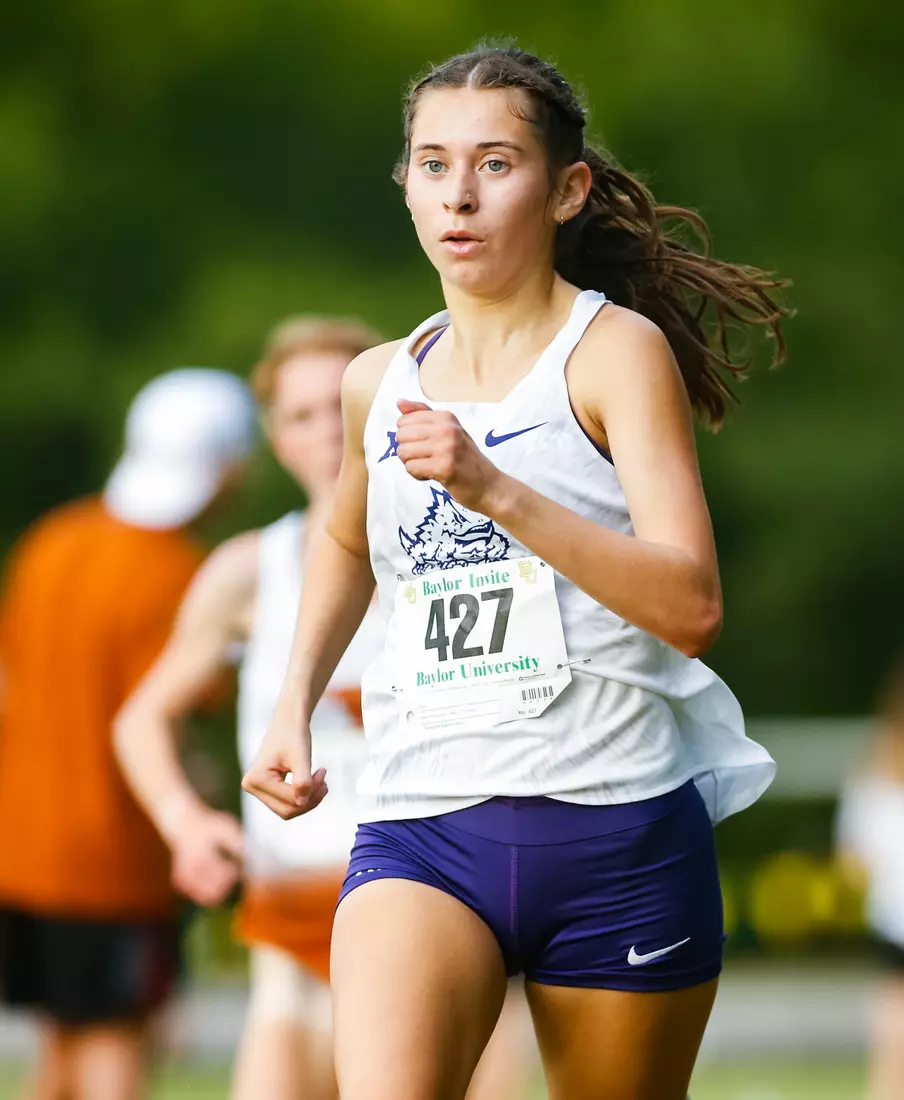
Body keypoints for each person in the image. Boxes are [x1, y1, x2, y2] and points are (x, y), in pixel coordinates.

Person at [242, 45, 789, 1100]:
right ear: (403, 183)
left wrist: (497, 491)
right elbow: (347, 540)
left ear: (566, 188)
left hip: (614, 829)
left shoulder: (612, 354)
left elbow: (692, 604)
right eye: (431, 163)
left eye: (494, 163)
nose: (458, 192)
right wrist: (290, 702)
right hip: (424, 824)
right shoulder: (376, 381)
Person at [114, 317, 534, 1100]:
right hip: (297, 929)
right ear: (274, 438)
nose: (326, 430)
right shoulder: (251, 568)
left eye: (342, 403)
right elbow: (141, 719)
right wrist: (185, 823)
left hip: (446, 909)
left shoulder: (468, 547)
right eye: (302, 414)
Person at [0, 369, 256, 1100]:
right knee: (116, 1046)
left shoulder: (53, 539)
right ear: (224, 468)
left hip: (21, 846)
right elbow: (176, 713)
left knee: (60, 1048)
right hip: (114, 857)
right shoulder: (178, 573)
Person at [836, 656, 904, 1100]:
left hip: (892, 921)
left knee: (892, 1053)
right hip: (893, 923)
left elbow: (853, 863)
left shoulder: (873, 772)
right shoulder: (874, 774)